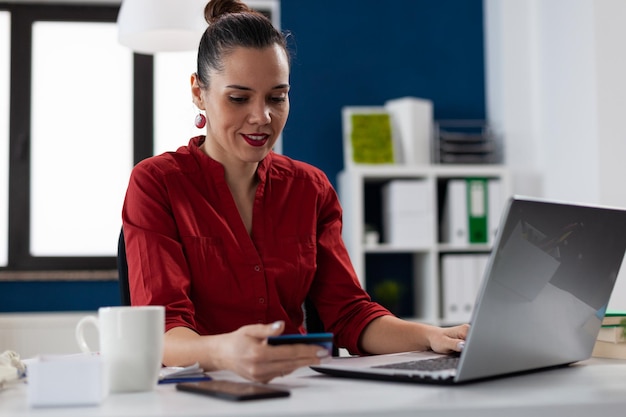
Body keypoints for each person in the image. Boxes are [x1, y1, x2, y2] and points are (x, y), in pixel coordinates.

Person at [122, 0, 469, 384]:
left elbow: (350, 314)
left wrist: (432, 336)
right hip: (201, 390)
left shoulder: (310, 188)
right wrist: (223, 351)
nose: (262, 117)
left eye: (276, 97)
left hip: (298, 388)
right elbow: (164, 330)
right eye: (239, 98)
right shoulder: (157, 183)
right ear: (199, 93)